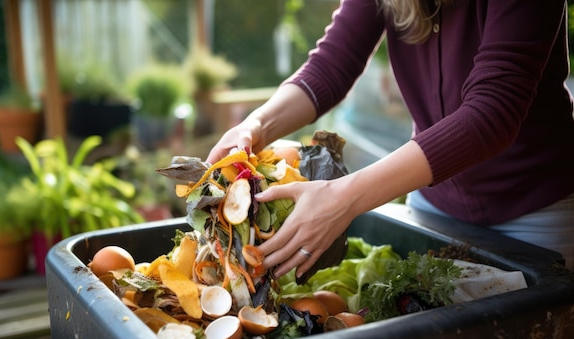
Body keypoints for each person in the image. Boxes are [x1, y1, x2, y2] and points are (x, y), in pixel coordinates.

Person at [206, 0, 574, 278]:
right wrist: (255, 126)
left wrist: (343, 198)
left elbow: (492, 113)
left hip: (533, 214)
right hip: (433, 207)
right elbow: (332, 64)